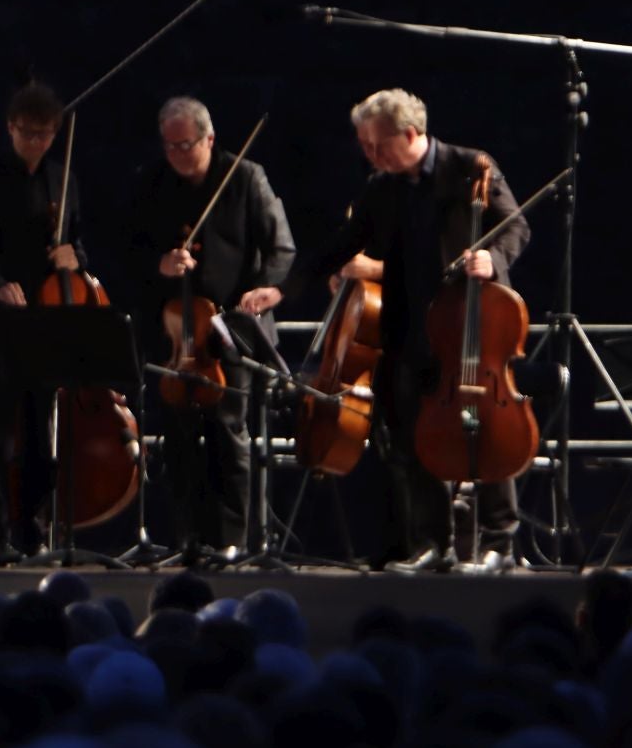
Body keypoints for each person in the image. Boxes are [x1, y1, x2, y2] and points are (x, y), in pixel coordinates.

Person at [312, 88, 529, 572]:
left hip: (472, 324)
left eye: (377, 144)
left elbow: (515, 227)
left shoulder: (470, 166)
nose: (369, 155)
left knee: (484, 428)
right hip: (412, 328)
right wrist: (292, 283)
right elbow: (346, 244)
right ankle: (435, 544)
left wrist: (493, 258)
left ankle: (500, 543)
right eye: (364, 146)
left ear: (410, 134)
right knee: (416, 435)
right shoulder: (383, 188)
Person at [125, 97, 295, 558]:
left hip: (233, 328)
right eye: (171, 145)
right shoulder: (152, 183)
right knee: (178, 437)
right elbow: (128, 252)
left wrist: (269, 291)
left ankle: (231, 540)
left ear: (209, 138)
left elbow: (281, 249)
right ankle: (186, 537)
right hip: (176, 331)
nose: (179, 154)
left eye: (187, 145)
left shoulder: (245, 177)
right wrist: (159, 263)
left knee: (228, 431)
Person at [0, 83, 85, 563]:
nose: (37, 143)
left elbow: (77, 243)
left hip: (44, 322)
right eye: (29, 133)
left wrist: (75, 255)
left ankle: (31, 529)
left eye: (46, 134)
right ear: (10, 128)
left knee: (37, 435)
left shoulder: (61, 178)